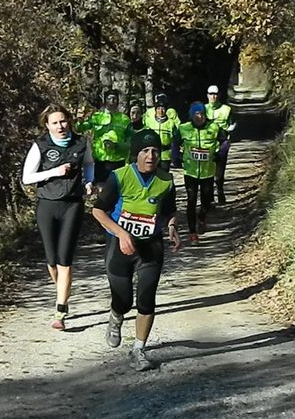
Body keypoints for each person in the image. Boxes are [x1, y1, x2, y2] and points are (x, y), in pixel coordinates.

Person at [92, 129, 181, 371]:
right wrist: (121, 233)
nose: (151, 156)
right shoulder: (119, 177)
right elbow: (98, 211)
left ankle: (139, 349)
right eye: (145, 151)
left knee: (146, 298)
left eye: (155, 151)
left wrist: (172, 226)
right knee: (123, 300)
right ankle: (116, 316)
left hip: (151, 245)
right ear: (135, 154)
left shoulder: (166, 180)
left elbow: (170, 210)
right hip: (120, 246)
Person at [22, 103, 94, 330]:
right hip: (47, 205)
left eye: (63, 121)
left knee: (65, 260)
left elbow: (90, 164)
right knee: (52, 260)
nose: (60, 126)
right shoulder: (40, 145)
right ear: (47, 125)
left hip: (72, 205)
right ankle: (61, 289)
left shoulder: (81, 143)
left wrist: (89, 181)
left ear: (69, 121)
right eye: (55, 123)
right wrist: (55, 171)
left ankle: (60, 310)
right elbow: (27, 177)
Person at [173, 101, 228, 245]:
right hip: (190, 172)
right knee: (191, 200)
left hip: (207, 172)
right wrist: (176, 157)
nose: (200, 117)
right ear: (192, 116)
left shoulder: (214, 127)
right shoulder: (184, 128)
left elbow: (225, 142)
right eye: (197, 114)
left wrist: (219, 154)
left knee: (206, 201)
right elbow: (175, 143)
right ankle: (192, 234)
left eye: (203, 114)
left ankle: (202, 217)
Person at [76, 89, 132, 187]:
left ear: (118, 101)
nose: (112, 101)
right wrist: (79, 120)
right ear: (105, 100)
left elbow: (130, 141)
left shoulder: (124, 119)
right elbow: (80, 129)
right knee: (100, 187)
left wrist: (118, 146)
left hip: (118, 160)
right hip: (100, 159)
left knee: (117, 187)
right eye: (109, 98)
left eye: (114, 99)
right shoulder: (96, 116)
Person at [205, 85, 234, 204]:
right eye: (211, 94)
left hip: (222, 143)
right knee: (207, 171)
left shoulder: (226, 109)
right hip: (207, 143)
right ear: (207, 95)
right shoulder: (203, 108)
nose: (213, 96)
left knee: (219, 172)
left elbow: (231, 125)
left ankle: (220, 191)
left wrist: (227, 139)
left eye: (215, 94)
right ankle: (210, 196)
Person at [142, 93, 180, 171]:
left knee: (163, 175)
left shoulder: (171, 122)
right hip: (151, 152)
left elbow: (176, 137)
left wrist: (175, 154)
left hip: (165, 154)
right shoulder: (149, 119)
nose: (161, 110)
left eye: (163, 108)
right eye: (158, 108)